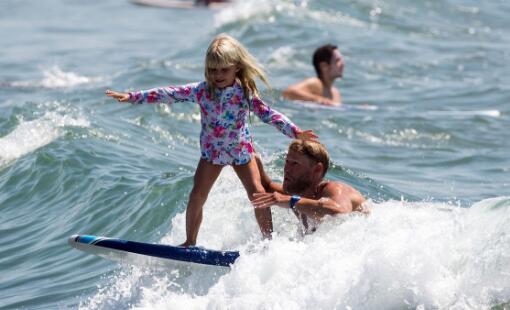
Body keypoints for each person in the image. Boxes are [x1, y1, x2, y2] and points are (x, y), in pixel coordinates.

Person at [105, 34, 318, 246]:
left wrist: (295, 132)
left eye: (224, 69)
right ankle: (189, 242)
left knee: (258, 194)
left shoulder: (244, 92)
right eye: (212, 70)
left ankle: (268, 242)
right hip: (212, 154)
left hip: (240, 152)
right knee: (197, 196)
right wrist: (133, 97)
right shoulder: (202, 91)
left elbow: (268, 114)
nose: (218, 75)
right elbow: (168, 93)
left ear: (236, 67)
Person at [251, 139, 367, 234]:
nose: (287, 169)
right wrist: (249, 150)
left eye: (295, 164)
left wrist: (291, 201)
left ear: (317, 169)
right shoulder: (299, 194)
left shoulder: (335, 188)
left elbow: (340, 212)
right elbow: (265, 186)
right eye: (287, 162)